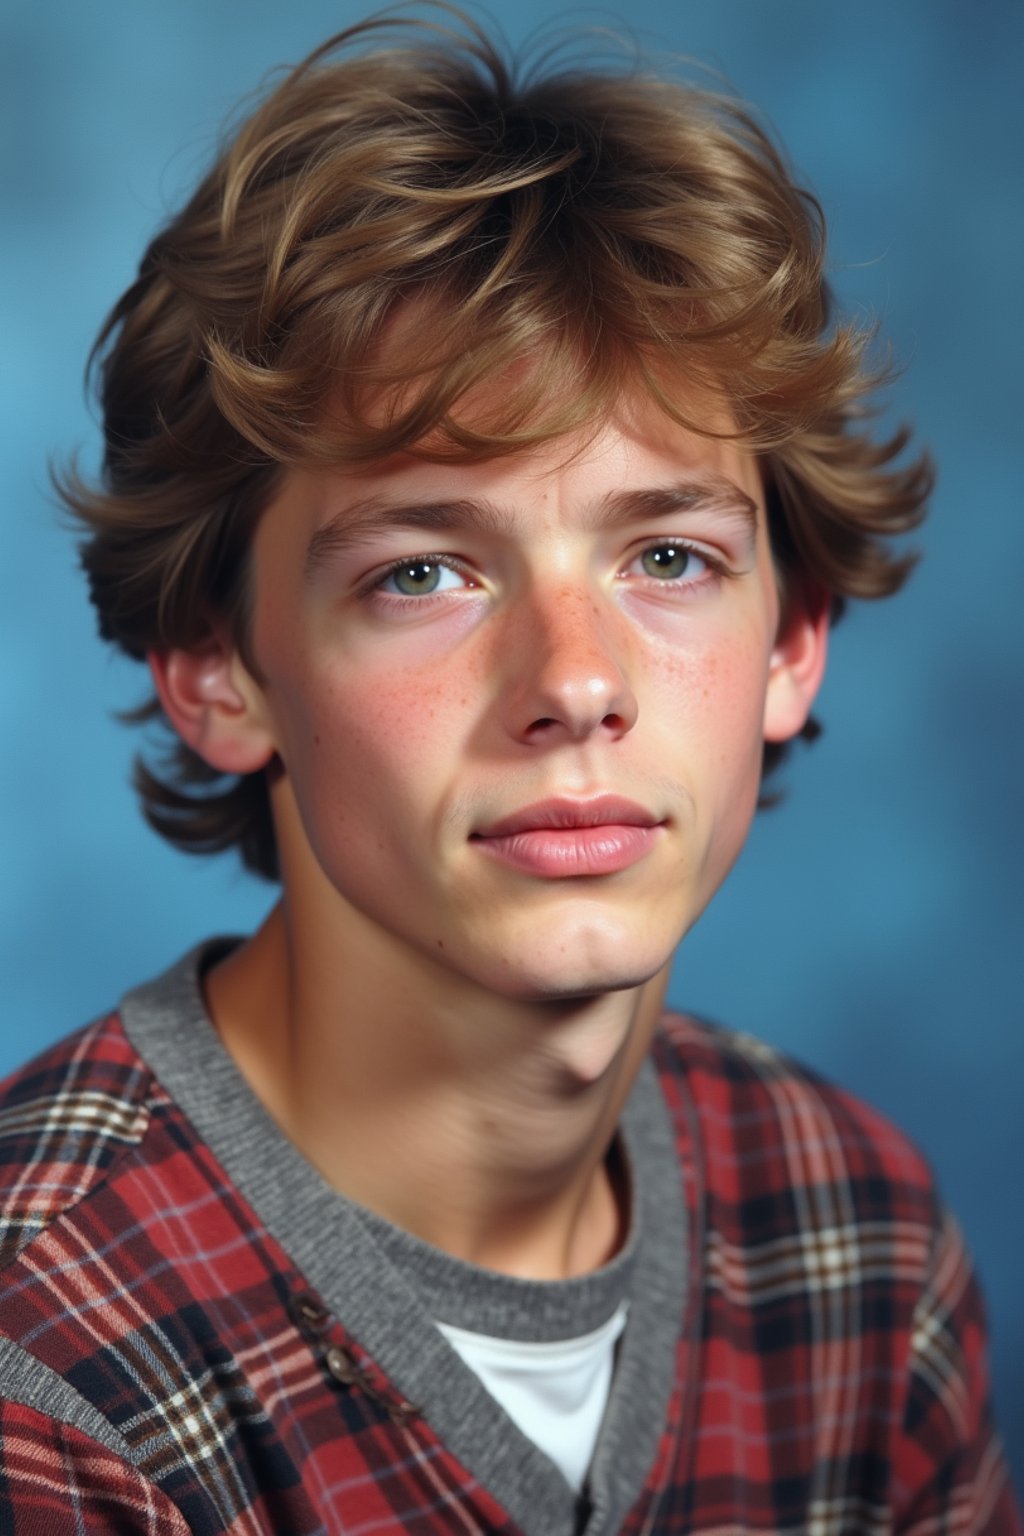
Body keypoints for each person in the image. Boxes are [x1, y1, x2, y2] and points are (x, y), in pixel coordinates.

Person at [0, 11, 1018, 1533]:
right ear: (220, 671)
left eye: (669, 557)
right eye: (424, 574)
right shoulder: (51, 1353)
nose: (577, 683)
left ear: (794, 644)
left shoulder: (853, 1229)